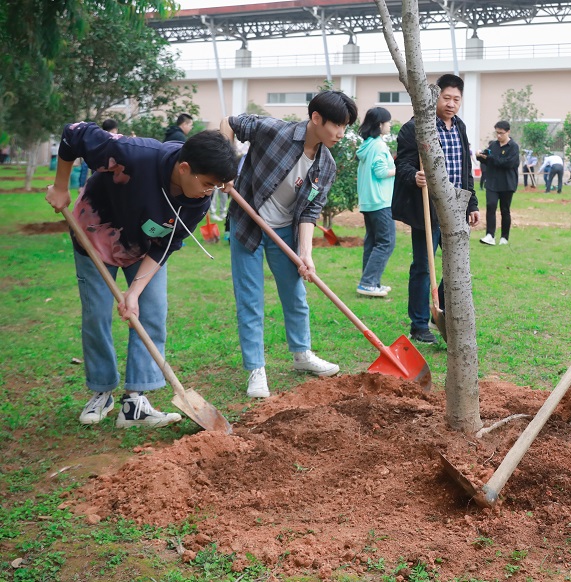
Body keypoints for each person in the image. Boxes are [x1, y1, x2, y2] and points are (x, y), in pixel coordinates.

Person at [45, 122, 239, 428]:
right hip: (94, 234)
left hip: (143, 248)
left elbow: (167, 245)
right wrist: (60, 186)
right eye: (208, 184)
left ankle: (135, 402)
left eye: (216, 186)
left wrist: (133, 292)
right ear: (184, 168)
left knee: (152, 311)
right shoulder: (133, 154)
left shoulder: (198, 200)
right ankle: (102, 391)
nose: (210, 192)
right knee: (96, 314)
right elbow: (73, 133)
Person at [220, 90, 358, 397]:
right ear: (316, 118)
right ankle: (256, 369)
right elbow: (228, 122)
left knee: (296, 296)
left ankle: (301, 354)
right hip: (248, 224)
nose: (341, 133)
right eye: (337, 125)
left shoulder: (326, 165)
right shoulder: (273, 130)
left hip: (285, 232)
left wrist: (305, 254)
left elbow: (310, 211)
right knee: (250, 300)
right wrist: (224, 168)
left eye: (345, 126)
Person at [392, 73, 480, 344]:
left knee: (456, 265)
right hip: (427, 209)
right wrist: (413, 176)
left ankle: (439, 312)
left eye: (457, 99)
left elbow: (465, 167)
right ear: (435, 97)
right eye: (446, 98)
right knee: (423, 266)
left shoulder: (460, 126)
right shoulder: (417, 127)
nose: (451, 104)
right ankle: (419, 325)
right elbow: (402, 164)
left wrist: (472, 203)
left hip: (457, 206)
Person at [356, 106, 396, 297]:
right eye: (388, 122)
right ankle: (368, 283)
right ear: (380, 125)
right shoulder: (379, 145)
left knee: (372, 242)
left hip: (368, 201)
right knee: (386, 242)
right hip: (380, 201)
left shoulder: (367, 144)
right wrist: (399, 170)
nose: (390, 125)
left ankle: (370, 282)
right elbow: (380, 172)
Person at [477, 120, 520, 246]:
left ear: (508, 132)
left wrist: (490, 158)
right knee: (491, 206)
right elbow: (488, 160)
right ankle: (490, 235)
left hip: (507, 183)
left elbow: (507, 163)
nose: (499, 136)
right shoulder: (493, 145)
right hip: (492, 182)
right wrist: (480, 156)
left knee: (505, 210)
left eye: (501, 133)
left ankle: (504, 237)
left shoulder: (513, 147)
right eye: (497, 133)